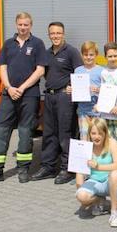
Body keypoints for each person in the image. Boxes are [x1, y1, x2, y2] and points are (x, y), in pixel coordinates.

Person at [0, 12, 47, 184]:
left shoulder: (38, 44)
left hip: (29, 95)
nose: (23, 27)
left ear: (31, 25)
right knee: (0, 130)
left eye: (26, 25)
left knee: (25, 132)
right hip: (9, 94)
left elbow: (40, 70)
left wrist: (21, 88)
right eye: (20, 24)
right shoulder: (8, 44)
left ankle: (23, 169)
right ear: (16, 25)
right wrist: (9, 87)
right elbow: (2, 68)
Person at [31, 22, 83, 184]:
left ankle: (68, 169)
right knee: (49, 133)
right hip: (50, 97)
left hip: (64, 98)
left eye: (58, 33)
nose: (55, 36)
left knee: (66, 133)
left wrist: (72, 87)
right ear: (49, 35)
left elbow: (81, 72)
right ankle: (48, 166)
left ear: (63, 34)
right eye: (52, 33)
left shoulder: (71, 52)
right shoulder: (47, 53)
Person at [75, 118, 117, 227]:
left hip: (110, 181)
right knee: (81, 195)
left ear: (105, 133)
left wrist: (98, 166)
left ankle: (114, 212)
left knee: (115, 174)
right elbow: (80, 170)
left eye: (100, 133)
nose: (96, 137)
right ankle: (99, 200)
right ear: (89, 134)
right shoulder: (85, 146)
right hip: (94, 181)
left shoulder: (112, 143)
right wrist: (81, 193)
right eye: (93, 133)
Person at [100, 42, 117, 179]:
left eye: (115, 56)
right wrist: (99, 106)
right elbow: (102, 93)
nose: (113, 58)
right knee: (110, 147)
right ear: (105, 56)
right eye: (110, 56)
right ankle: (111, 175)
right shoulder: (103, 72)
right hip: (105, 115)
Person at [71, 41, 103, 142]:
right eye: (85, 55)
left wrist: (98, 90)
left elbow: (108, 92)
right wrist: (71, 89)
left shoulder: (102, 71)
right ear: (82, 55)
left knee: (97, 138)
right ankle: (85, 158)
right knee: (84, 138)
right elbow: (75, 88)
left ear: (96, 55)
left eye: (91, 55)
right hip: (83, 111)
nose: (88, 57)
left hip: (97, 112)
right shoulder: (77, 70)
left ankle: (96, 158)